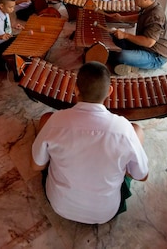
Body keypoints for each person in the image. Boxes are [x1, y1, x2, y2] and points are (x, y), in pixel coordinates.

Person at [31, 61, 149, 224]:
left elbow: (36, 166)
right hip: (105, 213)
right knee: (138, 131)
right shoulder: (124, 129)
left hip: (60, 206)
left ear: (76, 89)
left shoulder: (56, 120)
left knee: (46, 121)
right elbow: (142, 176)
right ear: (110, 91)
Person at [107, 0, 167, 75]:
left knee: (120, 55)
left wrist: (125, 35)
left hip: (155, 56)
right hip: (142, 47)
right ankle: (130, 63)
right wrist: (121, 18)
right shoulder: (149, 7)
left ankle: (130, 64)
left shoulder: (155, 15)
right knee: (114, 37)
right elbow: (139, 17)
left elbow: (149, 42)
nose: (134, 0)